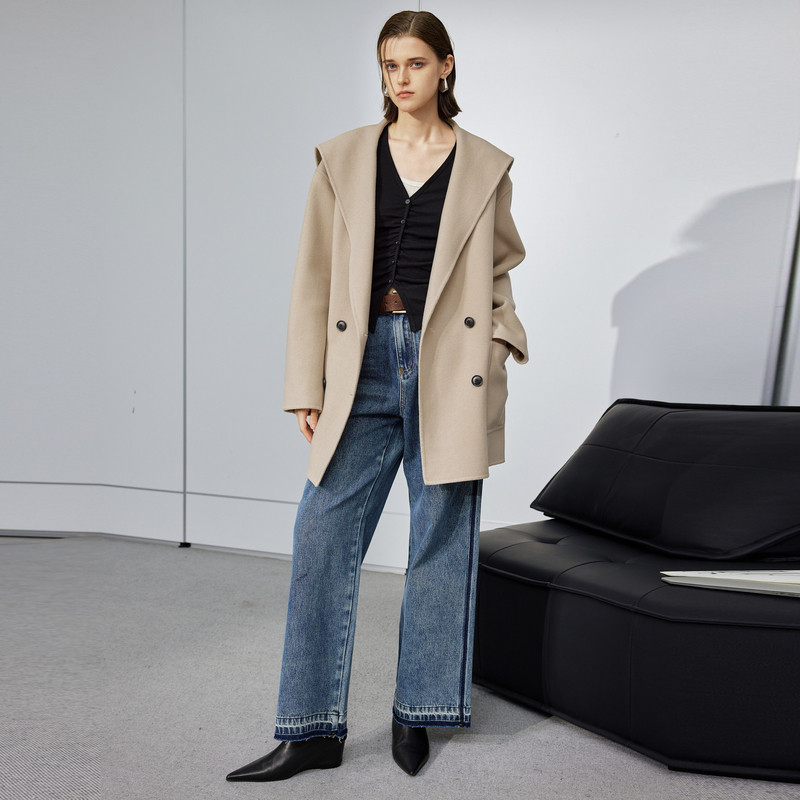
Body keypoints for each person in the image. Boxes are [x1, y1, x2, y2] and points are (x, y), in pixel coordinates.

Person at [226, 9, 527, 782]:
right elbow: (313, 274)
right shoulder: (344, 157)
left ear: (446, 67)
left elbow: (499, 274)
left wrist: (498, 346)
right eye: (390, 65)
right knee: (321, 532)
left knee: (439, 542)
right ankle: (310, 730)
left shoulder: (485, 165)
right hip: (360, 362)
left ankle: (417, 713)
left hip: (448, 365)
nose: (401, 78)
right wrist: (306, 382)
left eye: (416, 63)